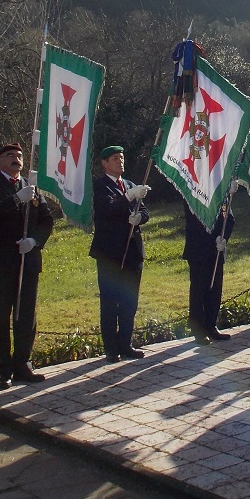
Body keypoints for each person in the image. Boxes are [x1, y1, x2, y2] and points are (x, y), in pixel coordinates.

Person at [0, 143, 52, 388]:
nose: (16, 159)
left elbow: (46, 220)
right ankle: (3, 369)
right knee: (1, 315)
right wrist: (16, 199)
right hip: (1, 260)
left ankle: (23, 364)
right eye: (10, 156)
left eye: (19, 156)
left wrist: (34, 241)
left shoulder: (31, 187)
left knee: (26, 315)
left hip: (27, 259)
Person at [89, 146, 150, 360]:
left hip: (132, 251)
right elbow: (109, 208)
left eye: (122, 157)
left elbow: (144, 210)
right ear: (104, 163)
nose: (120, 161)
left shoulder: (130, 184)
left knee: (129, 301)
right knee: (110, 301)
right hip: (110, 252)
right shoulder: (99, 186)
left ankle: (126, 344)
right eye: (115, 158)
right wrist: (129, 196)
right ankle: (111, 348)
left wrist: (140, 218)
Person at [183, 200, 233, 345]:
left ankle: (211, 326)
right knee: (199, 290)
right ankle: (198, 330)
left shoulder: (221, 192)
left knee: (215, 289)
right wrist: (211, 237)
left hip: (217, 248)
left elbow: (229, 217)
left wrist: (223, 237)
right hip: (199, 247)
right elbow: (194, 217)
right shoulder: (194, 190)